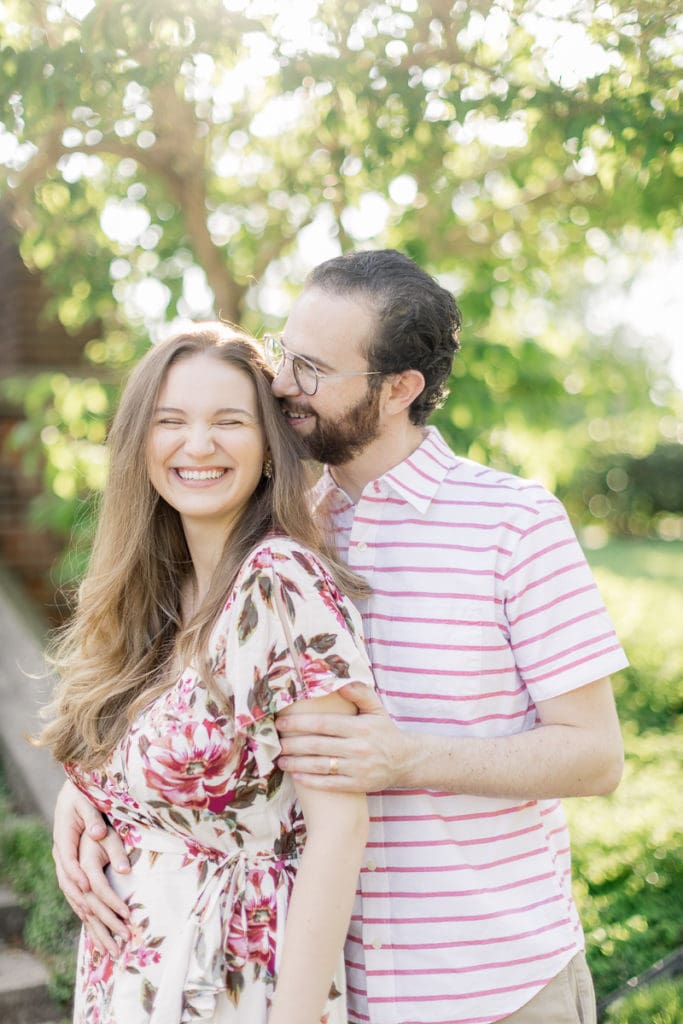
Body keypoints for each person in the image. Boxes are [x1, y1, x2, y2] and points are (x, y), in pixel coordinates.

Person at [53, 251, 627, 1024]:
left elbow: (595, 755)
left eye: (313, 369)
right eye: (285, 351)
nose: (283, 382)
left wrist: (410, 756)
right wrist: (88, 797)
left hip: (492, 985)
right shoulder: (274, 528)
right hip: (328, 983)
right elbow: (194, 711)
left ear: (398, 389)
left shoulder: (512, 524)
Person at [38, 322, 377, 1024]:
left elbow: (339, 830)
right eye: (171, 422)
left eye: (229, 421)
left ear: (268, 447)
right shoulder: (158, 595)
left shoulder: (279, 583)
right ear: (140, 443)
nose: (197, 446)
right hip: (133, 983)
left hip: (235, 988)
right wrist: (88, 805)